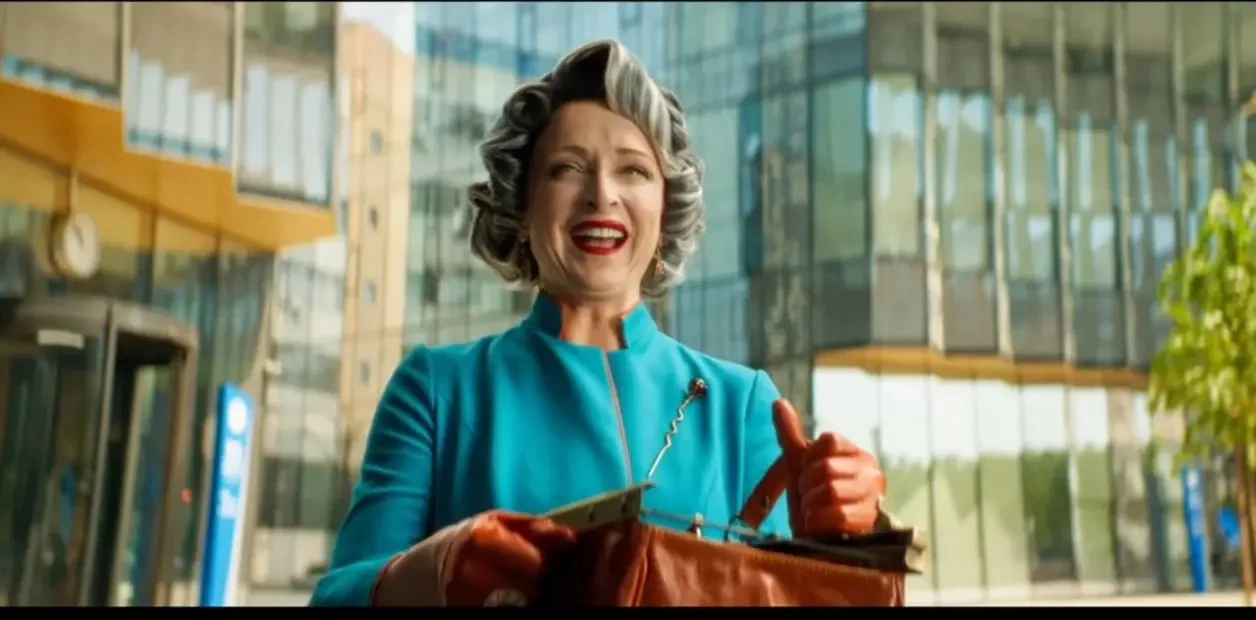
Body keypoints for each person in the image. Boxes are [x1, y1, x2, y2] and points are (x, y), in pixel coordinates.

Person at [310, 40, 887, 607]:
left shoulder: (743, 407)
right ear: (521, 206)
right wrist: (434, 571)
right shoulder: (437, 391)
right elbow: (339, 596)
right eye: (567, 168)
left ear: (666, 208)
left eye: (633, 170)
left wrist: (840, 545)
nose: (601, 194)